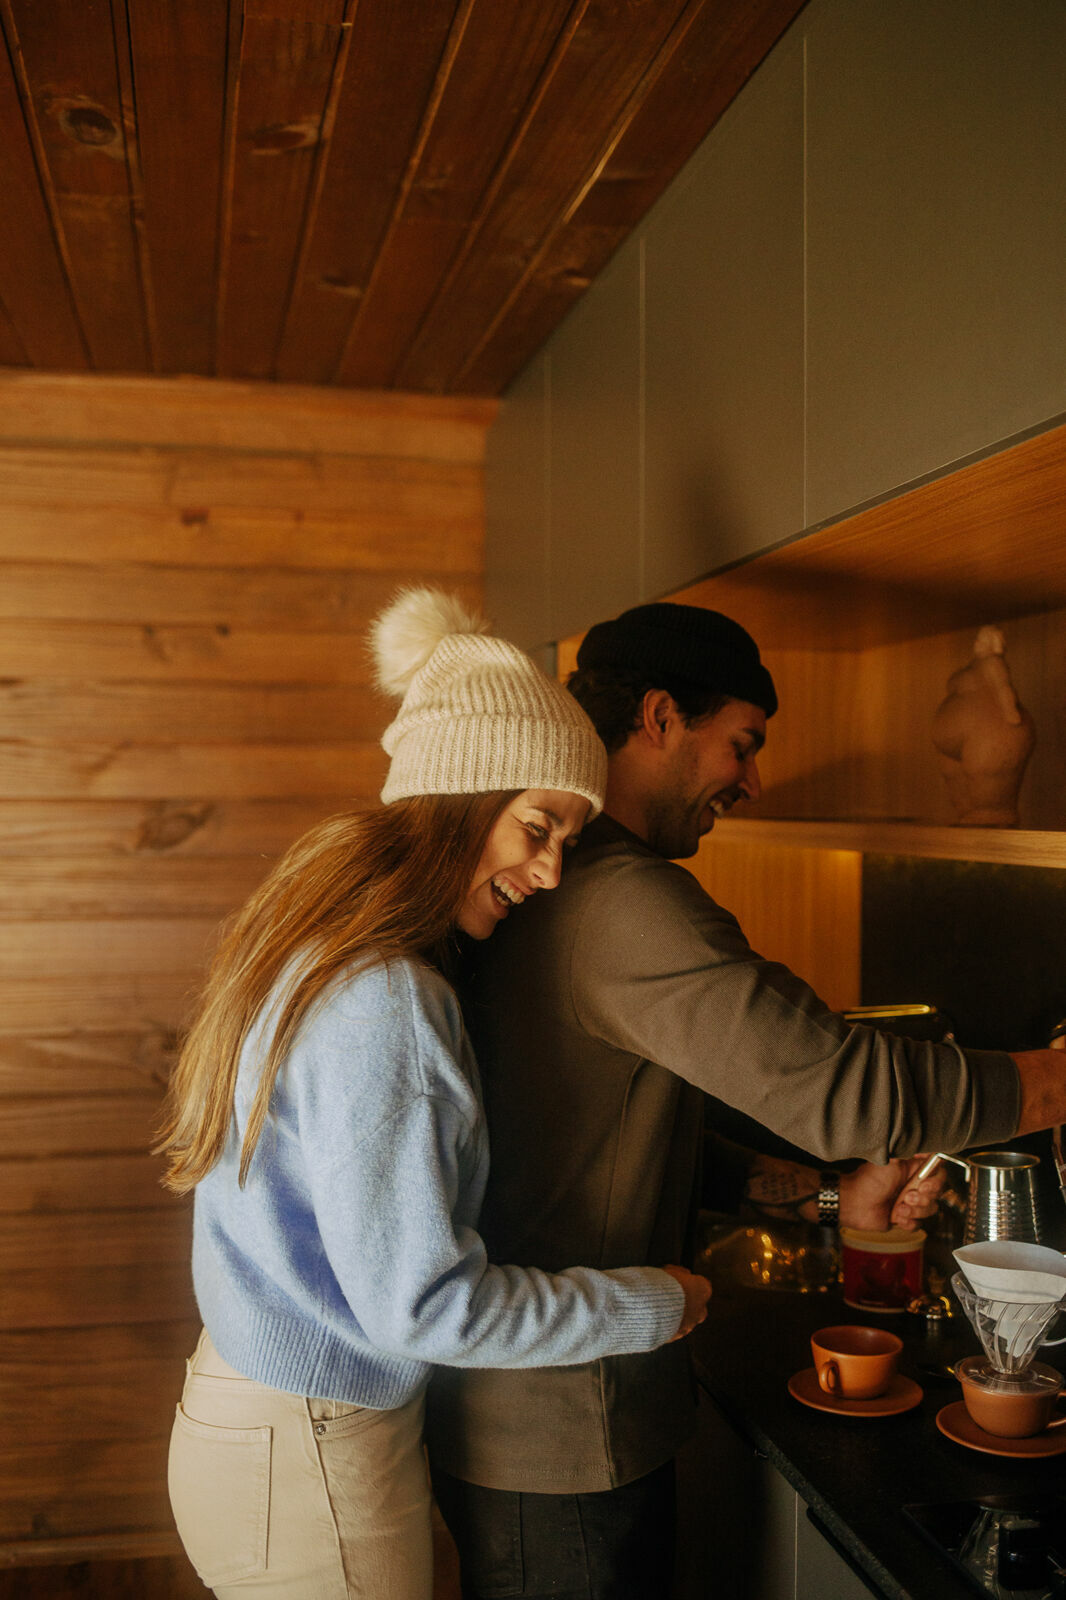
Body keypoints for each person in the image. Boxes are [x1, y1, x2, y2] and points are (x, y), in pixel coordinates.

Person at [425, 601, 1066, 1600]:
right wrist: (1053, 1079)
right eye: (744, 742)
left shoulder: (560, 882)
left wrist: (822, 1201)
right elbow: (848, 1090)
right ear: (659, 718)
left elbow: (611, 1130)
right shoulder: (620, 901)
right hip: (561, 1430)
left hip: (532, 1418)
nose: (753, 779)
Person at [157, 589, 711, 1600]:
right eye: (537, 825)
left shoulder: (326, 939)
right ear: (461, 798)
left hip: (266, 1425)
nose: (548, 873)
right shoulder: (388, 1002)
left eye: (567, 844)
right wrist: (653, 1302)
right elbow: (426, 1309)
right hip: (310, 1443)